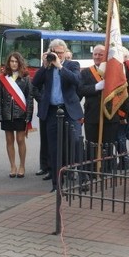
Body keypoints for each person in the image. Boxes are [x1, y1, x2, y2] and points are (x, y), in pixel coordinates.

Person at [32, 38, 83, 192]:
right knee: (54, 148)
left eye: (61, 53)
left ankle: (82, 177)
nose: (58, 55)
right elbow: (34, 84)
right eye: (55, 52)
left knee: (75, 142)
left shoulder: (72, 65)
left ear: (65, 52)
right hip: (53, 112)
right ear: (50, 52)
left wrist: (60, 66)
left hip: (69, 111)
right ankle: (56, 184)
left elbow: (76, 81)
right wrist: (45, 65)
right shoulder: (46, 68)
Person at [78, 45, 120, 172]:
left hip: (110, 114)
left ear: (105, 56)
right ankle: (92, 170)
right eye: (95, 54)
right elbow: (81, 90)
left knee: (108, 145)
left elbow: (121, 91)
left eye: (100, 54)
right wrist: (96, 87)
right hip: (92, 114)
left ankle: (107, 170)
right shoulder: (85, 72)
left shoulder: (113, 72)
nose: (97, 57)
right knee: (92, 144)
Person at [0, 52, 33, 178]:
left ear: (20, 63)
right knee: (9, 141)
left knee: (20, 140)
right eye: (11, 61)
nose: (14, 64)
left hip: (20, 114)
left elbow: (29, 98)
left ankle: (22, 165)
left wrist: (29, 115)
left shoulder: (26, 77)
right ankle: (13, 166)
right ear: (8, 63)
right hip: (7, 114)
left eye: (16, 61)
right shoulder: (3, 77)